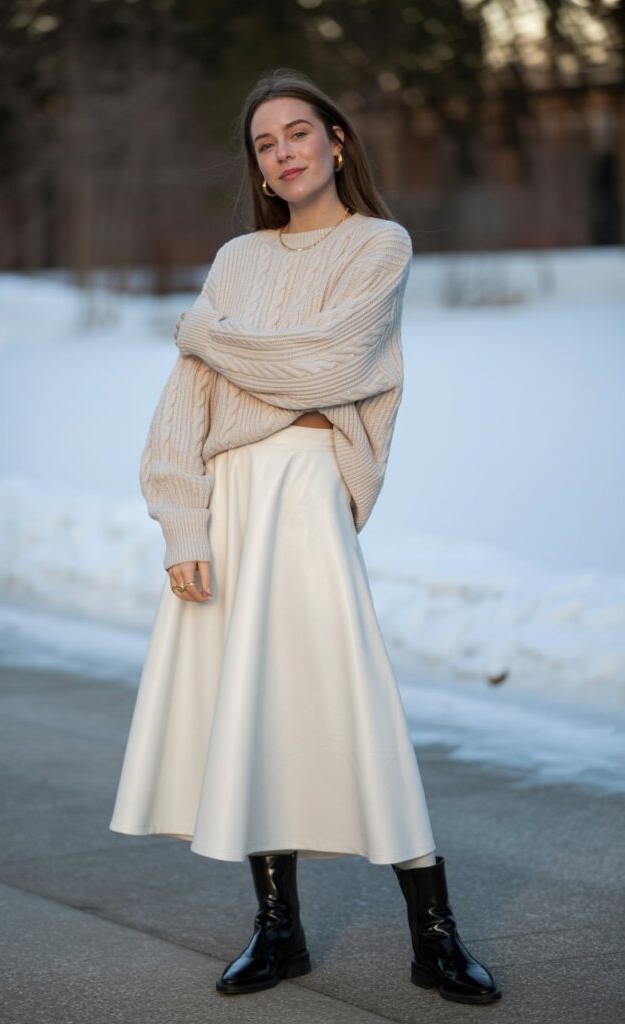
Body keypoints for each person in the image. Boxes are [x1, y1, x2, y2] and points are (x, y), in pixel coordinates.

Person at [109, 68, 501, 1006]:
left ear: (336, 141)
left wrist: (211, 337)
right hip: (229, 493)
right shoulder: (235, 262)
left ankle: (434, 935)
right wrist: (181, 521)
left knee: (349, 695)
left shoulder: (381, 245)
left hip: (310, 489)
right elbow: (184, 409)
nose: (282, 154)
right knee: (249, 705)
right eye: (263, 144)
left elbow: (332, 361)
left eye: (297, 134)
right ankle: (278, 930)